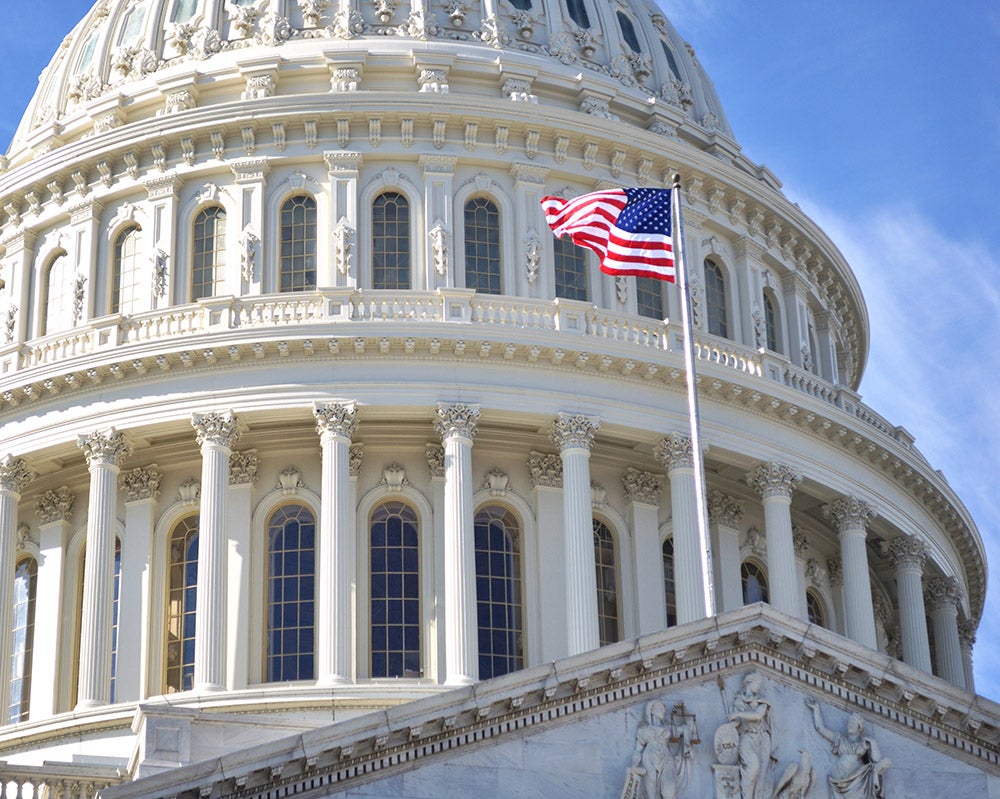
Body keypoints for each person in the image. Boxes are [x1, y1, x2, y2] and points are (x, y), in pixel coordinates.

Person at [805, 699, 890, 798]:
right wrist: (816, 709)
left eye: (853, 723)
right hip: (838, 779)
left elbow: (876, 759)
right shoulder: (840, 739)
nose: (849, 724)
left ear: (859, 727)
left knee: (871, 769)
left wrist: (873, 743)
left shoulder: (864, 743)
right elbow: (821, 729)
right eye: (849, 722)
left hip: (857, 778)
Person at [623, 700, 694, 799]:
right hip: (649, 759)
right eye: (660, 708)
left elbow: (686, 729)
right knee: (651, 792)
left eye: (664, 708)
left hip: (666, 759)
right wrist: (634, 765)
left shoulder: (668, 728)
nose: (663, 710)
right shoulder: (644, 731)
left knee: (669, 791)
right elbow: (638, 750)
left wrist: (685, 713)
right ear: (652, 711)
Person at [727, 671, 773, 799]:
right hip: (746, 736)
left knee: (762, 773)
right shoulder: (737, 701)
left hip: (762, 738)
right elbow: (734, 723)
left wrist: (739, 714)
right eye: (757, 683)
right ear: (749, 683)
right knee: (753, 765)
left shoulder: (762, 701)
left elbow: (758, 716)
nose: (759, 686)